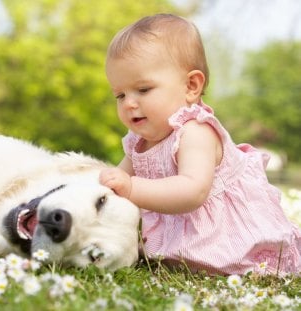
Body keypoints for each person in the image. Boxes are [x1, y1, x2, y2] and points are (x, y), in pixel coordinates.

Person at [99, 13, 300, 275]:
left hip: (228, 238)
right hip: (185, 244)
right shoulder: (139, 142)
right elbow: (117, 180)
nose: (129, 103)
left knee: (245, 264)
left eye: (144, 90)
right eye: (120, 94)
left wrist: (131, 188)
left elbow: (192, 191)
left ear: (191, 86)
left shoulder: (196, 131)